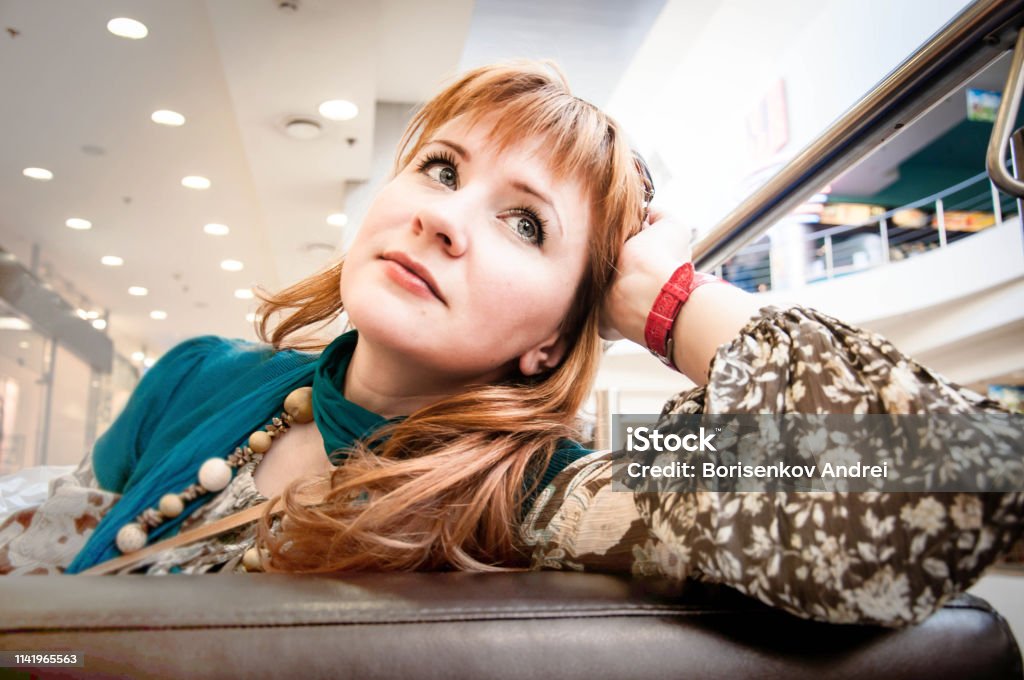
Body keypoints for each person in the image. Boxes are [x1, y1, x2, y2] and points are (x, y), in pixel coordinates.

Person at [0, 61, 1020, 630]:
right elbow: (38, 568)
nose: (447, 218)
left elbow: (955, 473)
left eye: (526, 223)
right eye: (440, 168)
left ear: (551, 339)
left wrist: (666, 301)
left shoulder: (546, 491)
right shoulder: (197, 374)